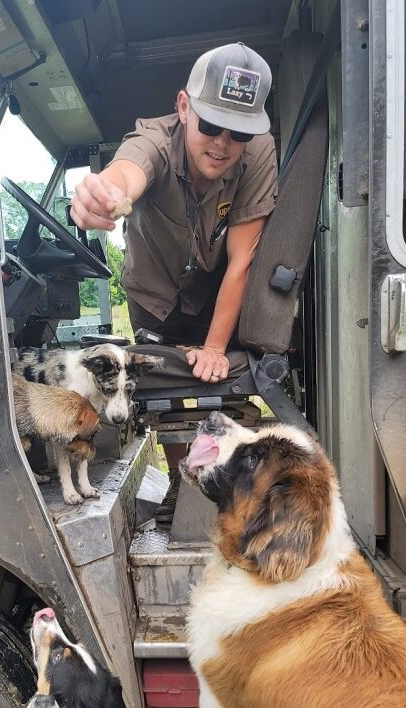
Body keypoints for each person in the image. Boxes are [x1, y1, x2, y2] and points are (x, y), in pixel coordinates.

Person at [70, 43, 278, 511]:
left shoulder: (259, 154)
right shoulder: (155, 139)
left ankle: (212, 494)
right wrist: (105, 193)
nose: (222, 143)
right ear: (184, 107)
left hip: (215, 293)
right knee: (171, 398)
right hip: (154, 297)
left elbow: (243, 258)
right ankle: (184, 487)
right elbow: (128, 171)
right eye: (210, 125)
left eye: (238, 132)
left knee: (212, 386)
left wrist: (216, 347)